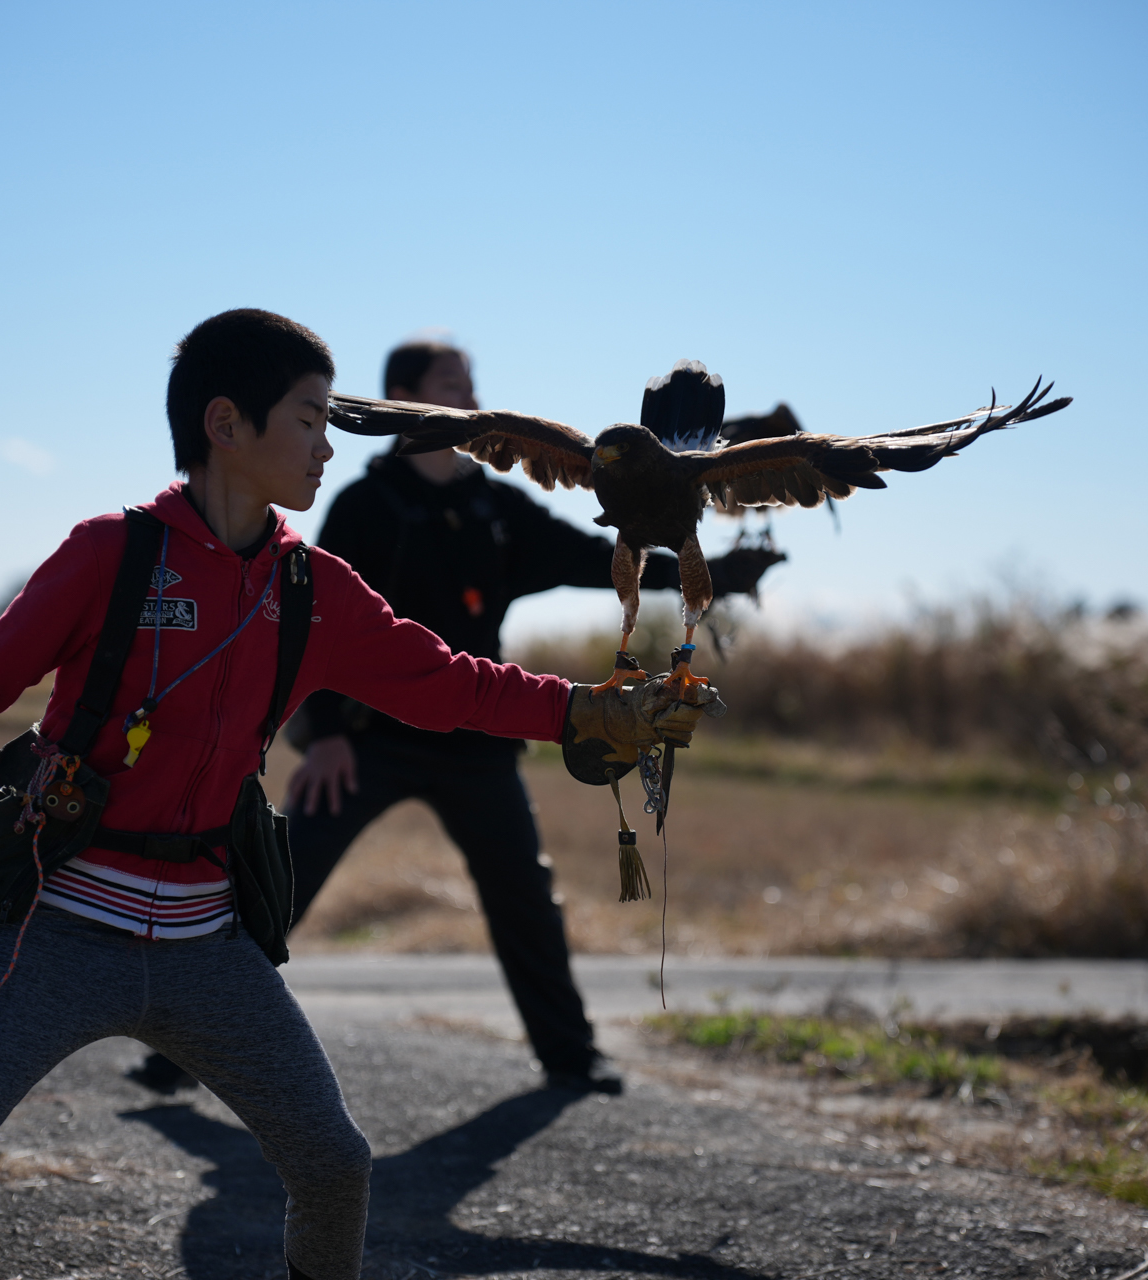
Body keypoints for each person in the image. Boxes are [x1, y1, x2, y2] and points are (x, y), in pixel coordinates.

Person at [0, 310, 714, 1280]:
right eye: (309, 418)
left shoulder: (315, 587)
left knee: (334, 1161)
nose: (327, 442)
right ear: (226, 424)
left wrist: (588, 711)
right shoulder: (112, 553)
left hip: (207, 947)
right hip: (49, 927)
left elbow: (448, 680)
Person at [124, 339, 777, 1101]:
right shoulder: (367, 505)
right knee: (275, 892)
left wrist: (717, 575)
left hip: (477, 740)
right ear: (406, 398)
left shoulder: (493, 505)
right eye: (450, 387)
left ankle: (572, 1059)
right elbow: (308, 624)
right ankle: (176, 1052)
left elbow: (597, 557)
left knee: (523, 899)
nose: (469, 403)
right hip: (367, 745)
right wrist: (325, 735)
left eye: (472, 387)